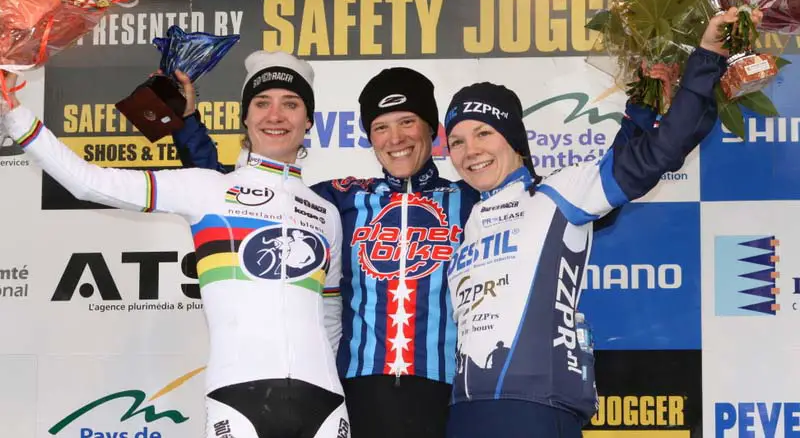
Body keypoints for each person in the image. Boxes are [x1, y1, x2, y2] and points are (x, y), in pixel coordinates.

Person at [0, 51, 350, 438]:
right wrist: (15, 113)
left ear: (309, 120)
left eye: (291, 104)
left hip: (327, 403)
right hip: (238, 398)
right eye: (262, 103)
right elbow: (88, 181)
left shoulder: (325, 212)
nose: (275, 115)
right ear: (245, 117)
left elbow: (329, 312)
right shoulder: (206, 188)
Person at [441, 7, 750, 438]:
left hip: (536, 412)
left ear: (513, 139)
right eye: (456, 140)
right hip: (465, 412)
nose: (469, 149)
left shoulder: (558, 193)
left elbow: (656, 154)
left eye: (483, 133)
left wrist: (707, 58)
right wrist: (642, 102)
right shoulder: (466, 216)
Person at [171, 66, 480, 438]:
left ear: (431, 129)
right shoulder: (339, 198)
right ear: (370, 138)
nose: (395, 138)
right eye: (381, 127)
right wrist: (187, 122)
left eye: (408, 121)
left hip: (447, 392)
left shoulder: (470, 200)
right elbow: (236, 194)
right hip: (358, 393)